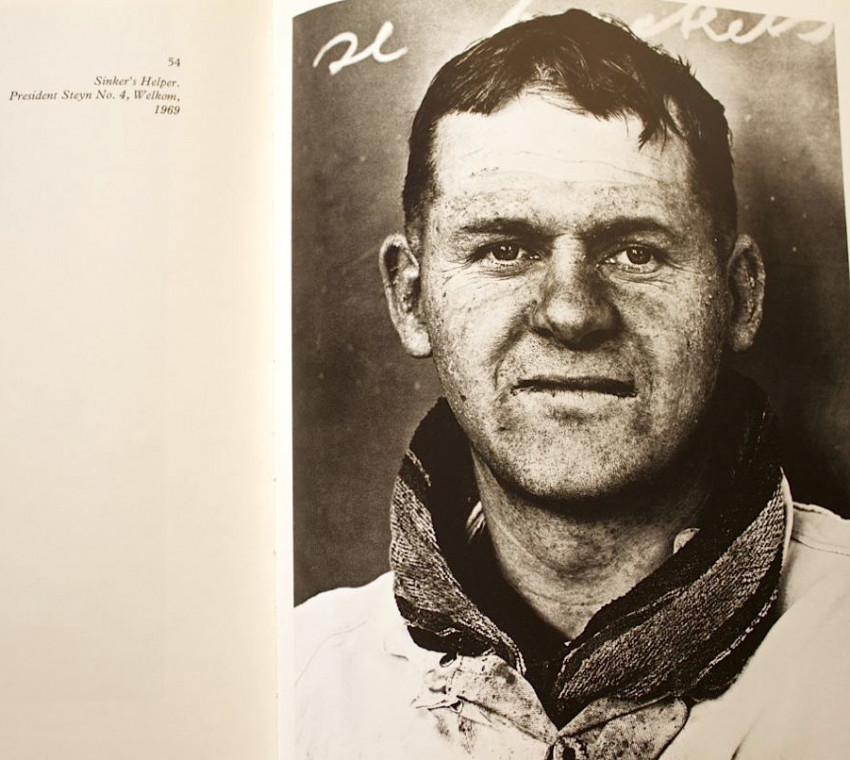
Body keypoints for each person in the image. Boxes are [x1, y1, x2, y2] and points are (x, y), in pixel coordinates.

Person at [294, 9, 850, 759]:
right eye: (504, 249)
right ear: (411, 299)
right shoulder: (300, 686)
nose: (572, 312)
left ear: (738, 297)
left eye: (636, 252)